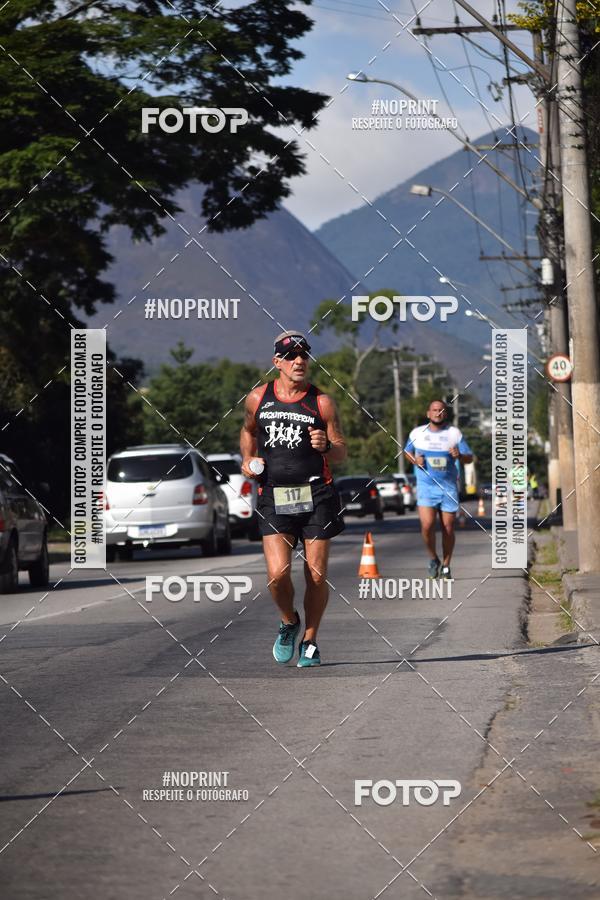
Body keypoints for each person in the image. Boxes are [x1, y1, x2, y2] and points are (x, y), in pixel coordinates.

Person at [240, 331, 347, 667]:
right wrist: (247, 460)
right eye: (291, 356)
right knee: (277, 574)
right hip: (274, 494)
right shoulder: (258, 398)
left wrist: (327, 447)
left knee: (316, 575)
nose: (299, 361)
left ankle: (311, 641)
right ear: (277, 363)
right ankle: (289, 621)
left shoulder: (322, 402)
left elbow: (341, 450)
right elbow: (247, 431)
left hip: (317, 493)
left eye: (304, 355)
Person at [404, 400, 473, 580]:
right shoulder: (417, 433)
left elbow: (469, 458)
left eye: (441, 410)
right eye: (434, 410)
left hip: (448, 487)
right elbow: (406, 451)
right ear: (428, 413)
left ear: (445, 414)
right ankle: (434, 558)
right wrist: (415, 461)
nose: (438, 413)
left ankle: (446, 565)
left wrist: (460, 455)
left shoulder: (454, 433)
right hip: (426, 487)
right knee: (427, 526)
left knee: (448, 528)